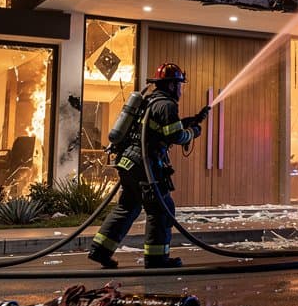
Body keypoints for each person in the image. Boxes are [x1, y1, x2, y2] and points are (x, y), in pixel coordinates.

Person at [88, 62, 209, 269]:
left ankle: (100, 250)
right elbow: (174, 135)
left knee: (128, 206)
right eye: (180, 84)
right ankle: (156, 258)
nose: (181, 89)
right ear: (171, 85)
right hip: (145, 164)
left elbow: (159, 128)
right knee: (162, 209)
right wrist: (193, 133)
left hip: (128, 162)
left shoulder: (149, 101)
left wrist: (191, 120)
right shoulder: (168, 104)